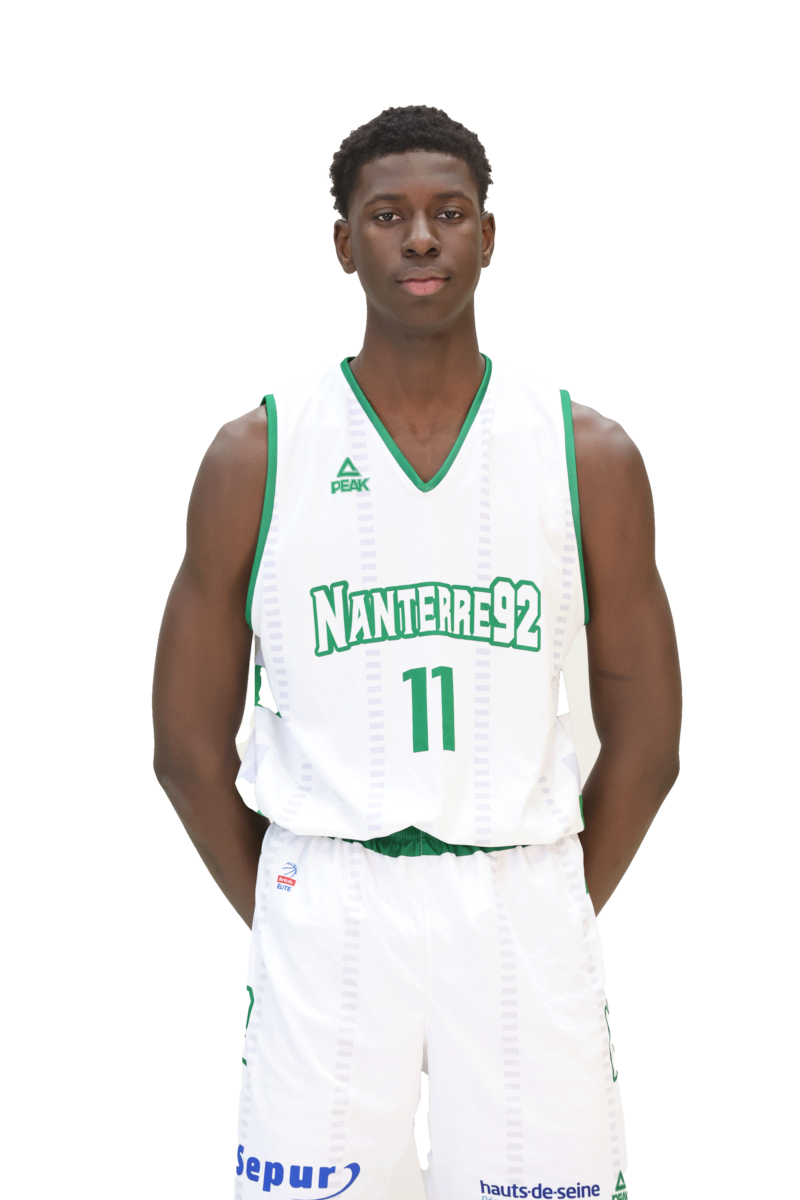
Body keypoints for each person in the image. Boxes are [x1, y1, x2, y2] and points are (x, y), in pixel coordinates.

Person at [152, 104, 681, 1200]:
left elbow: (647, 742)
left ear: (489, 235)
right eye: (387, 215)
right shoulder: (257, 453)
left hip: (521, 888)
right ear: (345, 245)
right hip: (327, 887)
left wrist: (549, 909)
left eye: (449, 212)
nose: (421, 237)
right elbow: (187, 750)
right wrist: (289, 910)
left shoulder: (586, 452)